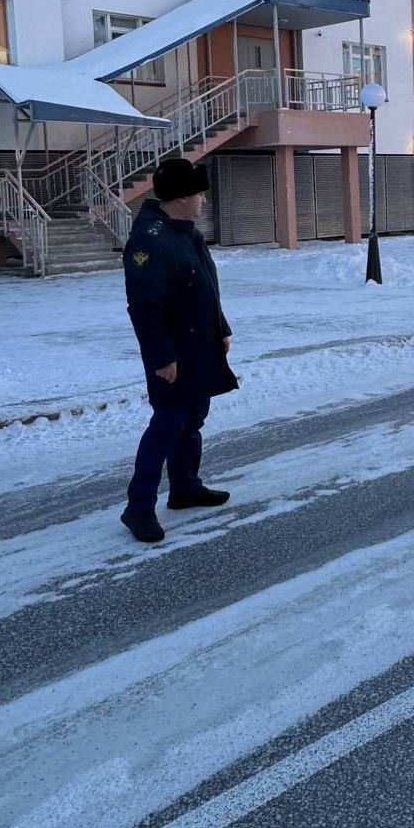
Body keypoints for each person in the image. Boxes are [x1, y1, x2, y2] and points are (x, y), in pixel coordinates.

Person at [120, 158, 238, 543]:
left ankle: (185, 487)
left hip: (199, 344)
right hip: (173, 352)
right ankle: (138, 507)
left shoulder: (186, 232)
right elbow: (144, 307)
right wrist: (162, 358)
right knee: (167, 425)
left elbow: (206, 283)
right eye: (199, 193)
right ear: (181, 198)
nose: (204, 200)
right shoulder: (150, 241)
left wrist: (220, 328)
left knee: (192, 420)